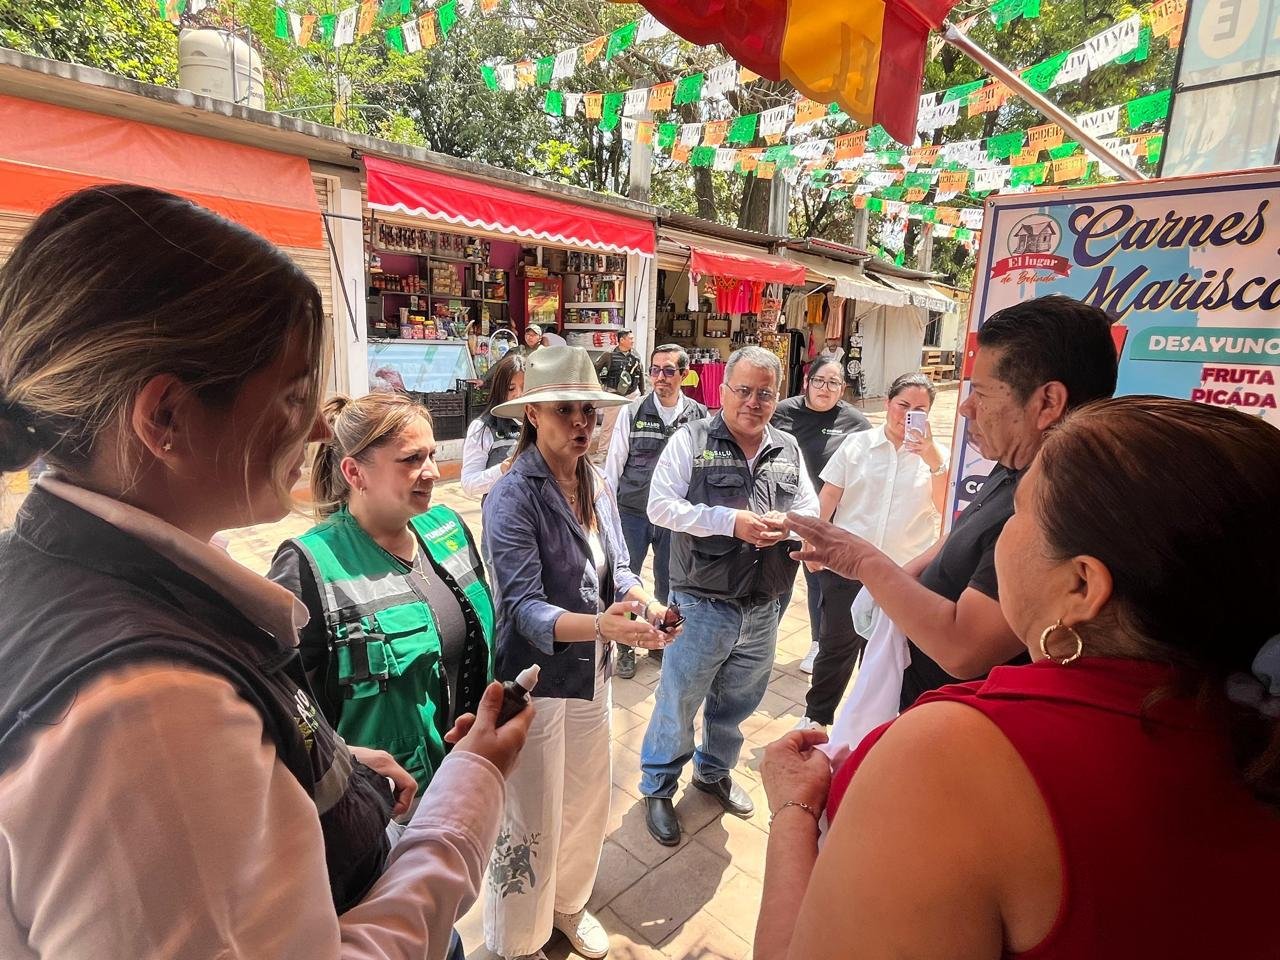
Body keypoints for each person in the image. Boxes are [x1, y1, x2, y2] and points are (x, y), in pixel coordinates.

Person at [0, 184, 530, 959]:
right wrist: (472, 784)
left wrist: (323, 772)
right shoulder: (149, 716)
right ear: (167, 417)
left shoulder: (92, 579)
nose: (315, 426)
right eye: (291, 394)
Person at [756, 397, 1280, 960]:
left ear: (1081, 586)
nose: (999, 537)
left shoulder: (951, 756)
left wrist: (794, 810)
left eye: (1018, 515)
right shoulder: (1244, 725)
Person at [799, 295, 1119, 713]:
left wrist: (865, 564)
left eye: (981, 393)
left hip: (956, 716)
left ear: (1047, 403)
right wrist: (900, 580)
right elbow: (959, 535)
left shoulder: (1052, 505)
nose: (966, 408)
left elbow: (964, 648)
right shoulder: (1014, 463)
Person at [482, 346, 680, 960]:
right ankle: (520, 937)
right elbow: (523, 607)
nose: (580, 423)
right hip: (535, 680)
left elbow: (619, 570)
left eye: (588, 411)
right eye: (564, 410)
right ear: (532, 415)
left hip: (591, 673)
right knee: (531, 811)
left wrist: (647, 606)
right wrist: (601, 626)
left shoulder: (593, 481)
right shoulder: (512, 495)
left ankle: (568, 903)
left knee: (588, 797)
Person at [269, 392, 494, 803]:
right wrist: (342, 760)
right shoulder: (310, 564)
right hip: (389, 802)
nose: (431, 471)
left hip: (470, 774)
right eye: (411, 459)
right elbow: (278, 706)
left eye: (431, 455)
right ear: (355, 472)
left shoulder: (447, 529)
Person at [640, 346, 820, 846]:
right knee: (679, 700)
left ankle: (713, 772)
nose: (753, 402)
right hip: (701, 602)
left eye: (765, 393)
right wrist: (729, 521)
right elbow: (660, 506)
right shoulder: (692, 439)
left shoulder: (787, 447)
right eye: (743, 390)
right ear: (723, 390)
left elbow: (808, 508)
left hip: (765, 605)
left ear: (777, 397)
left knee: (737, 702)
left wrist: (789, 524)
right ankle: (658, 786)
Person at [796, 373, 948, 730]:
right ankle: (816, 718)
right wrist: (813, 537)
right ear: (888, 403)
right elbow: (830, 494)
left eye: (919, 410)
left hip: (903, 574)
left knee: (885, 655)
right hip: (848, 568)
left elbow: (946, 510)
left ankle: (871, 727)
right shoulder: (856, 445)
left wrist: (932, 458)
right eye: (902, 405)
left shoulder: (938, 458)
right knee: (835, 646)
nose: (908, 415)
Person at [604, 342, 708, 678]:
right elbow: (613, 465)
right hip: (632, 512)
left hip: (674, 516)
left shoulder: (698, 416)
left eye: (668, 370)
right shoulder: (632, 412)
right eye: (654, 370)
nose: (660, 377)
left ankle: (660, 640)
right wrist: (606, 512)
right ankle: (625, 646)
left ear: (684, 374)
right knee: (626, 580)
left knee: (670, 580)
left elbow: (703, 467)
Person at [769, 357, 870, 673]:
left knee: (819, 581)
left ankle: (817, 642)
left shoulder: (855, 423)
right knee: (776, 579)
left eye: (833, 383)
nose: (825, 388)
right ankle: (762, 639)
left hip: (828, 518)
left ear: (842, 388)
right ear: (806, 382)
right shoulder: (783, 412)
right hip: (784, 510)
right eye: (819, 381)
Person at [461, 353, 526, 500]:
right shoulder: (483, 428)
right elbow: (469, 484)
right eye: (511, 388)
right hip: (502, 510)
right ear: (499, 390)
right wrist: (502, 469)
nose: (519, 394)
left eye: (525, 387)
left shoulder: (542, 424)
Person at [592, 330, 644, 464]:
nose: (633, 341)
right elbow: (596, 368)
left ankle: (630, 451)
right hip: (614, 394)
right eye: (630, 338)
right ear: (622, 340)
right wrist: (599, 385)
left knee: (632, 424)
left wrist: (643, 394)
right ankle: (603, 451)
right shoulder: (609, 354)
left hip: (632, 394)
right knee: (609, 424)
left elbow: (640, 375)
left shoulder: (636, 355)